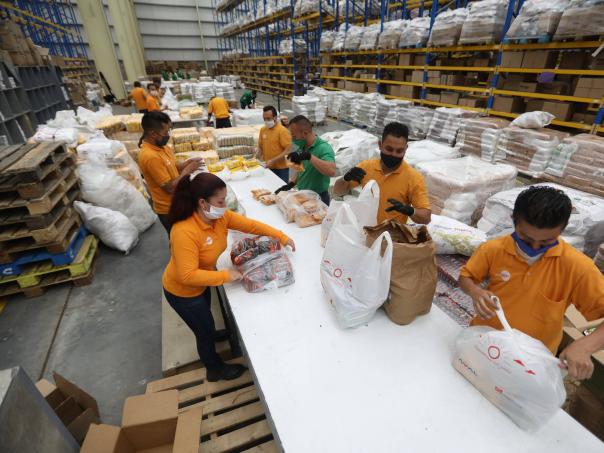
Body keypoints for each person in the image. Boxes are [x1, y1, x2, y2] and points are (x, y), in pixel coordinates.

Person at [459, 186, 604, 381]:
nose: (534, 247)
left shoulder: (578, 268)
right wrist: (475, 291)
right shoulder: (494, 249)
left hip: (531, 363)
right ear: (514, 220)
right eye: (526, 239)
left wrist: (585, 346)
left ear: (562, 229)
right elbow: (466, 277)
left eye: (546, 242)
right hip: (483, 343)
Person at [162, 172, 296, 381]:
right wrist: (226, 275)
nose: (224, 206)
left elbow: (251, 226)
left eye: (225, 200)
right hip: (183, 292)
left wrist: (281, 236)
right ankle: (214, 369)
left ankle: (210, 330)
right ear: (203, 203)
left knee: (205, 318)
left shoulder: (219, 218)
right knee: (203, 333)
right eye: (220, 201)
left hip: (201, 284)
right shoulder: (184, 231)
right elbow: (187, 275)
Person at [333, 122, 431, 225]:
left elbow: (426, 218)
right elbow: (338, 191)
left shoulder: (414, 177)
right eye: (389, 149)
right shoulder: (367, 166)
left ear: (406, 149)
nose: (393, 154)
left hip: (390, 233)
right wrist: (345, 179)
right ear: (380, 145)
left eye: (399, 151)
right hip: (364, 228)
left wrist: (411, 211)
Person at [137, 112, 202, 233]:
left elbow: (173, 168)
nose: (168, 135)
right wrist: (188, 170)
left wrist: (187, 164)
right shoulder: (150, 156)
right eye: (166, 132)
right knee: (180, 239)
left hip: (179, 201)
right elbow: (170, 188)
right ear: (153, 133)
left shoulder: (163, 147)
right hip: (169, 209)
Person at [275, 115, 335, 206]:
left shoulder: (324, 148)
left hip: (319, 198)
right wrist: (291, 183)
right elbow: (302, 169)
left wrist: (309, 157)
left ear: (305, 133)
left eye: (294, 136)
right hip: (303, 195)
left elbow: (332, 171)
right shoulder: (302, 145)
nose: (293, 139)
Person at [257, 106, 292, 183]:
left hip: (281, 169)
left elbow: (289, 149)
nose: (266, 121)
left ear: (275, 117)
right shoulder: (263, 130)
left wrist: (273, 160)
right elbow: (260, 147)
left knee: (281, 189)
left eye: (268, 118)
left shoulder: (282, 131)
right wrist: (256, 157)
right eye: (264, 119)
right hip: (267, 167)